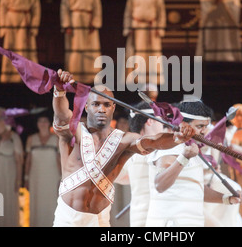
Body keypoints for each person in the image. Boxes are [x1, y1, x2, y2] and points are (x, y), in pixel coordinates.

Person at [51, 69, 196, 227]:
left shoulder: (124, 140)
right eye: (96, 104)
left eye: (106, 104)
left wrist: (178, 138)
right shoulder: (74, 133)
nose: (101, 109)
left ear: (113, 107)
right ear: (86, 107)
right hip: (68, 219)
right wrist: (59, 91)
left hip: (100, 220)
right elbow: (62, 115)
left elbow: (154, 141)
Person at [144, 99, 242, 227]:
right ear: (184, 125)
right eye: (199, 126)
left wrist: (228, 198)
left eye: (205, 126)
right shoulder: (171, 147)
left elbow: (198, 189)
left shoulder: (193, 151)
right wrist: (184, 158)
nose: (204, 131)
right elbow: (160, 184)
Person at [115, 101, 166, 227]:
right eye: (160, 120)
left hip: (137, 219)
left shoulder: (130, 153)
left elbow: (120, 177)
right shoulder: (158, 151)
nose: (163, 125)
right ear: (150, 121)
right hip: (156, 219)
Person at [0, 0, 41, 83]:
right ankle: (9, 77)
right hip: (11, 20)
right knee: (10, 48)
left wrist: (34, 26)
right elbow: (2, 7)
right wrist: (3, 28)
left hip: (24, 19)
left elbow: (36, 7)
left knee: (24, 49)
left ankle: (26, 77)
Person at [60, 0, 102, 84]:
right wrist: (67, 24)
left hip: (88, 20)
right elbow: (64, 8)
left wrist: (95, 22)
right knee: (75, 49)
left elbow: (97, 6)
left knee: (90, 49)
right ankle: (74, 75)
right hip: (75, 20)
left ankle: (92, 76)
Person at [123, 0, 166, 86]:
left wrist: (160, 27)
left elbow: (161, 12)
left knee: (153, 53)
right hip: (138, 26)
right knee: (138, 53)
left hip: (152, 27)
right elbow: (128, 12)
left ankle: (154, 78)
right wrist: (128, 27)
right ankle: (137, 78)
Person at [24, 114, 61, 227]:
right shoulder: (31, 139)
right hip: (36, 177)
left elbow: (59, 159)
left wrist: (61, 178)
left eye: (45, 121)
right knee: (36, 204)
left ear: (49, 123)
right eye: (40, 121)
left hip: (52, 176)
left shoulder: (56, 139)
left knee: (52, 204)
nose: (43, 123)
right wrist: (26, 177)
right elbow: (28, 159)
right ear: (37, 124)